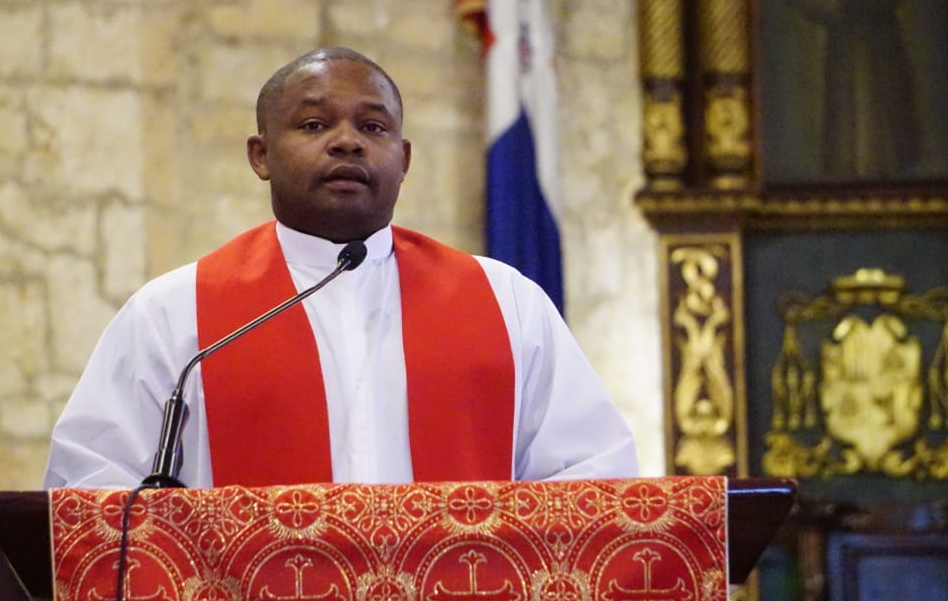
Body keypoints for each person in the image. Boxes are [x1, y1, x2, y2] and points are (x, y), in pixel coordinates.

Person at [44, 46, 636, 489]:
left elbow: (591, 481)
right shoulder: (175, 315)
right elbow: (92, 493)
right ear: (261, 156)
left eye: (373, 127)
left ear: (403, 160)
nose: (347, 142)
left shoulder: (507, 304)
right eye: (313, 124)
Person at [796, 0, 920, 182]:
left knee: (882, 102)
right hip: (846, 42)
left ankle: (884, 167)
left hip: (881, 39)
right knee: (849, 105)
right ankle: (848, 168)